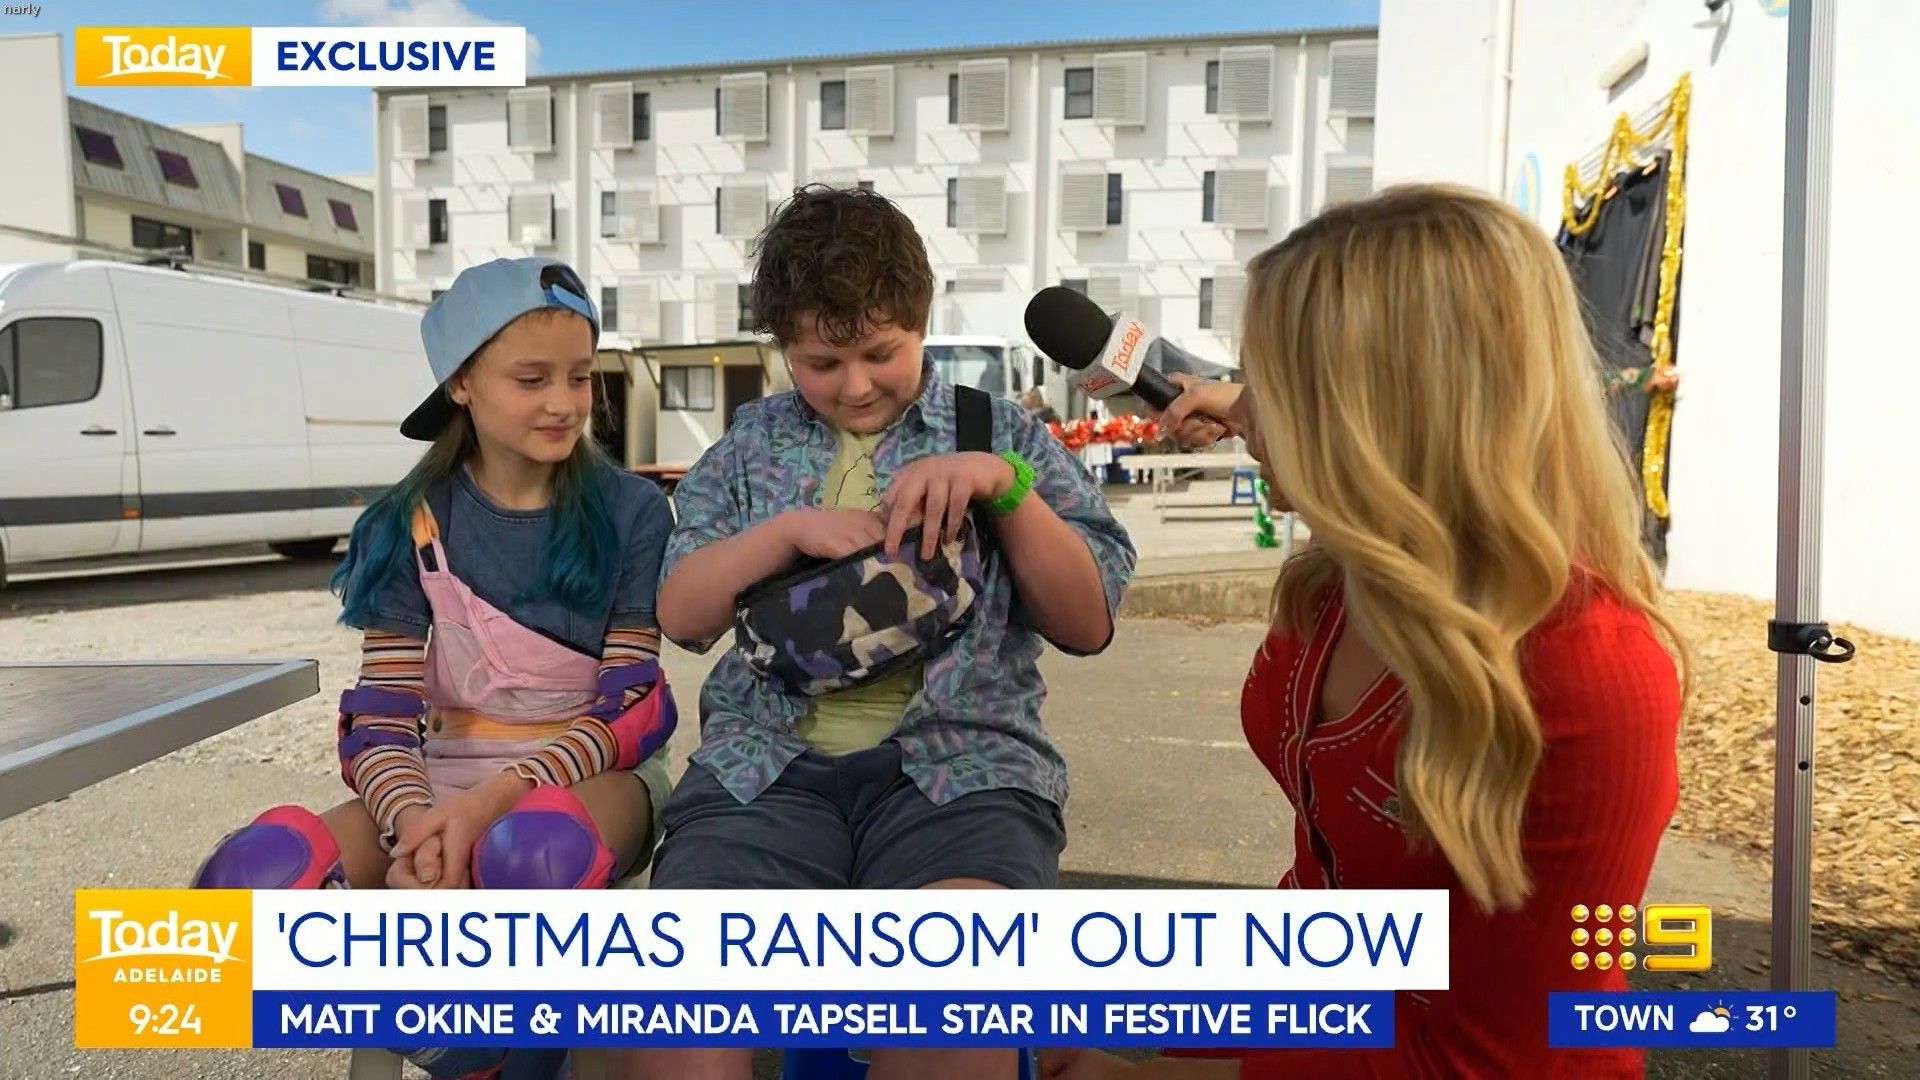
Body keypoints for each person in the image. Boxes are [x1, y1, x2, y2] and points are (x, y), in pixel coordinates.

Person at [1038, 184, 1688, 1079]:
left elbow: (1483, 1063)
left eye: (1275, 383)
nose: (1246, 413)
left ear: (1376, 415)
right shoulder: (1344, 576)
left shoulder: (1588, 675)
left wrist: (1136, 1075)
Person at [618, 185, 1136, 1080]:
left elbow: (1088, 622)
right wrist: (783, 535)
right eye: (821, 362)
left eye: (881, 352)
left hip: (961, 774)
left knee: (951, 1013)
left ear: (922, 323)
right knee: (677, 1022)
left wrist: (1002, 486)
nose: (855, 384)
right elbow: (681, 615)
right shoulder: (747, 447)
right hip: (764, 773)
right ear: (782, 347)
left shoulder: (996, 430)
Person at [189, 257, 678, 1079]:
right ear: (460, 383)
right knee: (251, 880)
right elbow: (379, 720)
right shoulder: (405, 522)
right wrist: (413, 825)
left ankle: (490, 1050)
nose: (564, 403)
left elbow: (631, 712)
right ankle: (457, 1037)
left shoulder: (633, 513)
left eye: (579, 376)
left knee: (532, 855)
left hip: (590, 783)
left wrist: (487, 808)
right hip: (436, 785)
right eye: (531, 379)